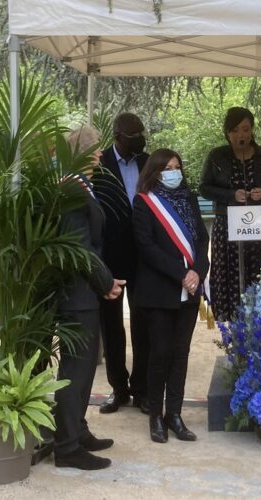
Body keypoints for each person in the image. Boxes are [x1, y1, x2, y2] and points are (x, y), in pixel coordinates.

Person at [53, 126, 124, 471]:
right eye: (95, 149)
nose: (100, 154)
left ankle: (77, 431)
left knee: (81, 371)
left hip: (84, 292)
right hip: (76, 294)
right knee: (75, 371)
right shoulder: (70, 189)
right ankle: (66, 446)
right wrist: (105, 282)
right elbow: (78, 249)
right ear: (80, 152)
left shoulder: (81, 186)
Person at [132, 149, 210, 443]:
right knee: (160, 352)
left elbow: (202, 239)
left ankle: (174, 414)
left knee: (181, 353)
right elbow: (146, 247)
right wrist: (181, 274)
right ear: (155, 171)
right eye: (167, 167)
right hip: (159, 291)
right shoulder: (143, 203)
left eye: (177, 166)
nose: (173, 171)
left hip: (189, 289)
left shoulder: (188, 199)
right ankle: (155, 416)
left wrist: (197, 271)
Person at [199, 107, 261, 321]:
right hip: (227, 225)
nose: (241, 135)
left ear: (252, 130)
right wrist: (230, 195)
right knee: (228, 276)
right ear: (228, 133)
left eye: (246, 129)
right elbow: (204, 188)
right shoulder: (217, 156)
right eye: (235, 130)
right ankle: (231, 324)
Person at [92, 112, 151, 414]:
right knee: (111, 325)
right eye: (133, 135)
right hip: (110, 256)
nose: (139, 139)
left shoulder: (148, 162)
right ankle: (119, 389)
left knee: (144, 323)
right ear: (117, 136)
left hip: (143, 256)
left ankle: (141, 390)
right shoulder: (99, 165)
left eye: (141, 133)